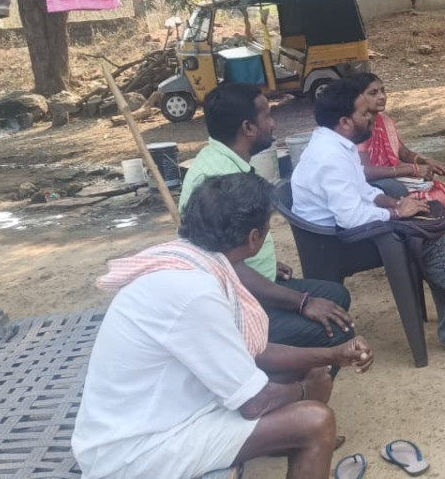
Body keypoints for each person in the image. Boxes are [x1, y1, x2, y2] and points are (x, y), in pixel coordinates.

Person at [74, 173, 374, 479]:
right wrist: (306, 390)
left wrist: (333, 355)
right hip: (138, 453)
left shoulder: (185, 262)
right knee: (315, 421)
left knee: (289, 377)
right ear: (254, 238)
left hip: (148, 424)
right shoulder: (195, 292)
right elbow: (255, 404)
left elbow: (254, 353)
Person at [291, 79, 445, 352]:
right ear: (345, 121)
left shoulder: (335, 143)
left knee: (427, 219)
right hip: (337, 243)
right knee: (431, 237)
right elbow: (352, 217)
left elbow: (363, 190)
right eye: (364, 113)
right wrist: (396, 212)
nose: (371, 118)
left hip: (341, 232)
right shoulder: (330, 156)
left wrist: (397, 202)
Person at [179, 83, 359, 361]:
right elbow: (225, 267)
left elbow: (227, 249)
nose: (273, 123)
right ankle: (289, 382)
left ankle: (291, 372)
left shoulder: (221, 162)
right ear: (248, 127)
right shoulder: (220, 182)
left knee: (334, 295)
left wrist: (265, 263)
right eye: (267, 116)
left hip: (245, 287)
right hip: (234, 307)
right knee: (333, 327)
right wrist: (303, 302)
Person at [353, 73, 445, 280]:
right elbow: (364, 172)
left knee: (442, 189)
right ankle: (434, 264)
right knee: (433, 199)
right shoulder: (359, 127)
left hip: (393, 181)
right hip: (376, 189)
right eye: (373, 93)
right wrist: (411, 170)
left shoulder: (385, 121)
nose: (382, 96)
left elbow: (402, 152)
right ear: (358, 98)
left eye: (383, 90)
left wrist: (424, 161)